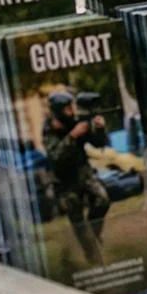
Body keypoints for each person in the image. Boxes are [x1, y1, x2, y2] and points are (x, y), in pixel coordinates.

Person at [42, 89, 111, 266]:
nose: (71, 111)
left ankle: (94, 235)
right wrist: (73, 136)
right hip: (64, 181)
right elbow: (56, 157)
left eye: (71, 107)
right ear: (58, 110)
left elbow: (99, 143)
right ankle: (92, 256)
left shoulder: (75, 121)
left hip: (84, 173)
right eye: (67, 109)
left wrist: (100, 129)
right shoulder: (49, 129)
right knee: (78, 220)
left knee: (102, 200)